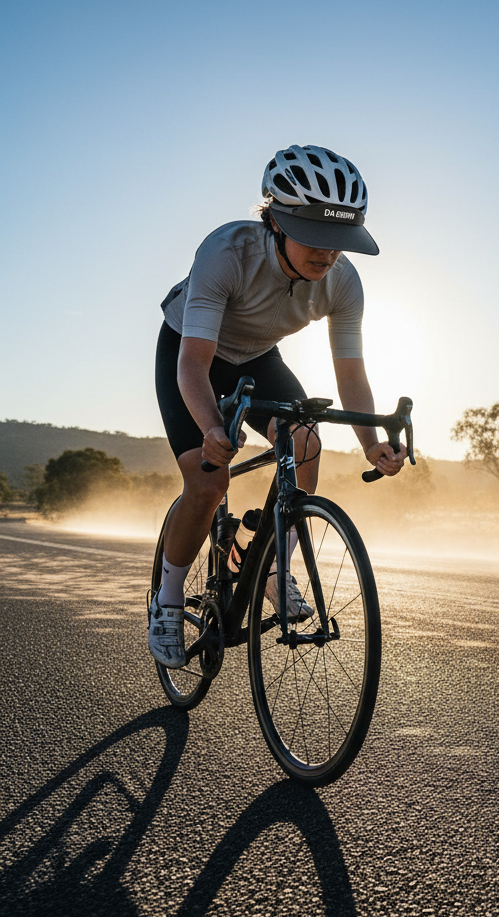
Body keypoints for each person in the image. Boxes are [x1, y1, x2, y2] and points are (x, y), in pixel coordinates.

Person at [150, 145, 406, 668]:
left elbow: (351, 374)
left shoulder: (343, 282)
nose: (329, 254)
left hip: (257, 358)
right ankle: (168, 600)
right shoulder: (226, 253)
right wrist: (210, 429)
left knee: (308, 441)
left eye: (341, 242)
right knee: (207, 482)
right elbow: (192, 367)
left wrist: (372, 442)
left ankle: (272, 566)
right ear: (276, 220)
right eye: (316, 238)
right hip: (193, 352)